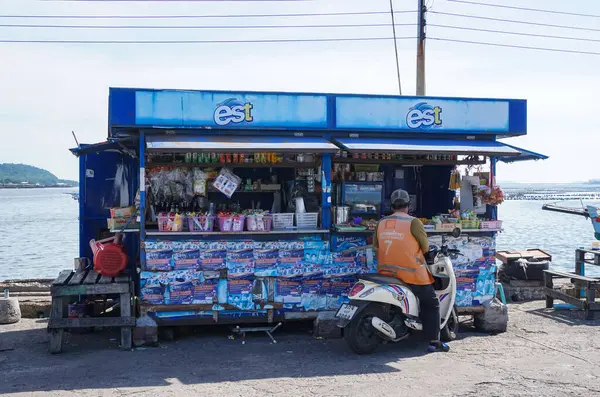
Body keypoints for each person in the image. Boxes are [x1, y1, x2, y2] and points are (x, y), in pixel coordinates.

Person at [372, 189, 450, 353]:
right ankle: (434, 341)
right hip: (411, 274)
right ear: (409, 205)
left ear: (391, 205)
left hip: (385, 273)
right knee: (431, 303)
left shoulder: (381, 223)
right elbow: (425, 247)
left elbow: (376, 247)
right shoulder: (414, 222)